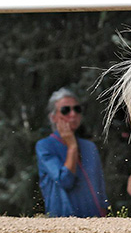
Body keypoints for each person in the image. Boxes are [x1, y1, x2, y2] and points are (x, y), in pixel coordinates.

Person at [35, 87, 108, 217]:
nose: (73, 114)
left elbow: (100, 187)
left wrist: (105, 212)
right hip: (62, 222)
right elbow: (65, 180)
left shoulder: (89, 147)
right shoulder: (45, 146)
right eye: (65, 110)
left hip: (94, 221)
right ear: (53, 117)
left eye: (77, 109)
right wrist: (72, 147)